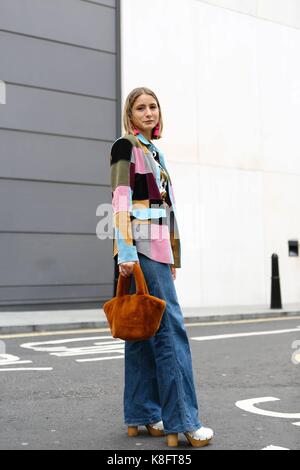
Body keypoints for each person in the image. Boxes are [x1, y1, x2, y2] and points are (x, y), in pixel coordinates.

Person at [110, 87, 214, 448]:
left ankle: (141, 414)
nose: (149, 112)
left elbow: (166, 208)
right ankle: (184, 422)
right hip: (138, 249)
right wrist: (125, 251)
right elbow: (120, 200)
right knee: (171, 331)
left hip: (154, 250)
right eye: (141, 107)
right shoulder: (125, 146)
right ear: (131, 114)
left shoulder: (154, 151)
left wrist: (174, 255)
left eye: (153, 106)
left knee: (143, 330)